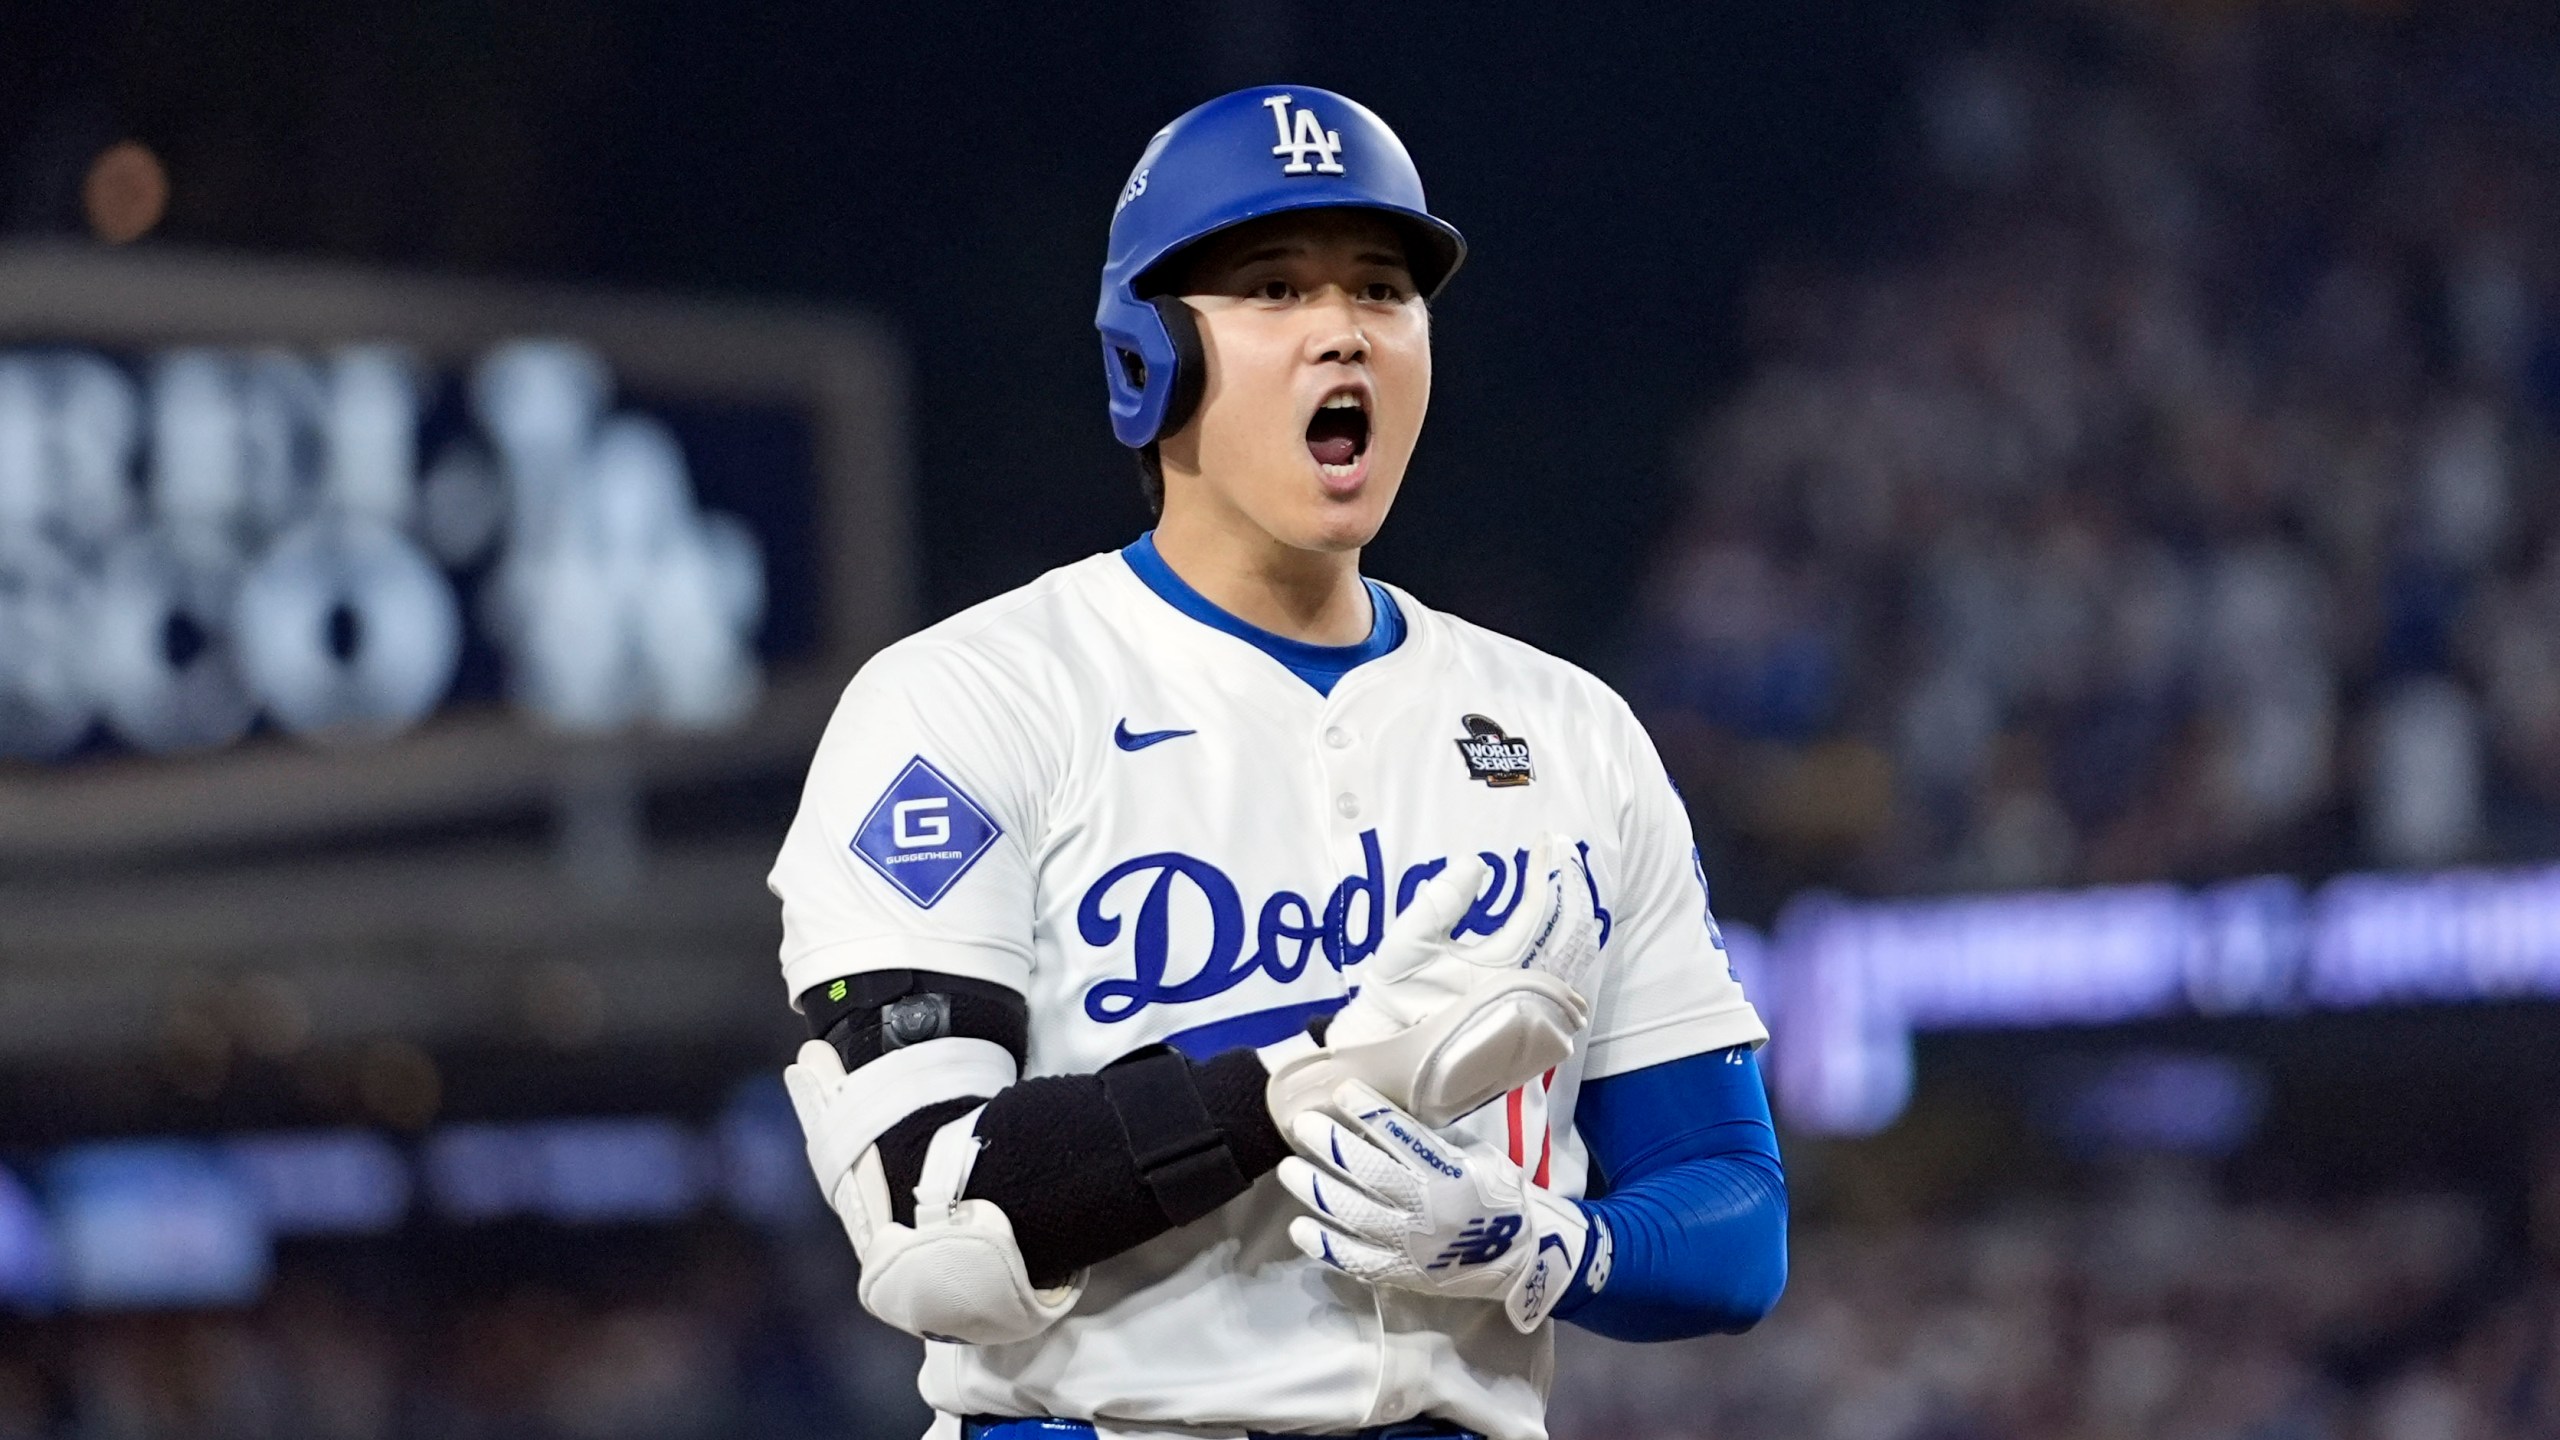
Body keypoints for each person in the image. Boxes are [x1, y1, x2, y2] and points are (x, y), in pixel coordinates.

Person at [767, 85, 1787, 1440]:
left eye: (1380, 287)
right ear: (1151, 353)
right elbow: (931, 1224)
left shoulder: (1569, 732)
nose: (1341, 329)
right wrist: (1317, 1074)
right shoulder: (969, 702)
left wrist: (1537, 1244)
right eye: (1270, 288)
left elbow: (1733, 1221)